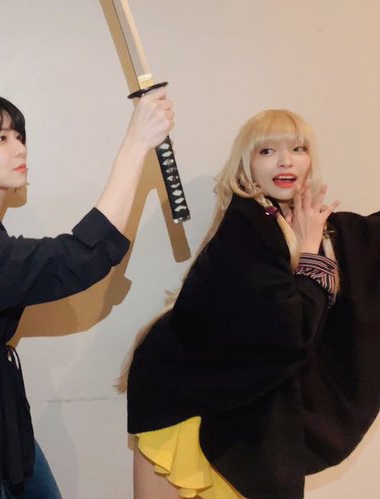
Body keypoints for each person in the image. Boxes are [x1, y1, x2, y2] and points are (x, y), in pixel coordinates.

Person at [0, 90, 174, 499]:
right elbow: (77, 258)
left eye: (18, 135)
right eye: (1, 138)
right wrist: (135, 145)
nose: (19, 148)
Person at [126, 109, 380, 499]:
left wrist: (312, 243)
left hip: (236, 408)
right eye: (267, 151)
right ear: (247, 165)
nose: (285, 161)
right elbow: (288, 334)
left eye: (298, 149)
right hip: (181, 399)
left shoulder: (313, 224)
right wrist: (310, 259)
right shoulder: (245, 230)